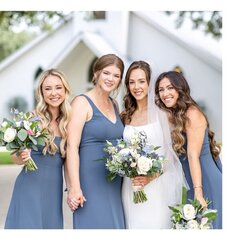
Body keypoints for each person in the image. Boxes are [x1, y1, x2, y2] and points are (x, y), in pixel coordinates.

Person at [119, 61, 187, 228]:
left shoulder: (163, 114)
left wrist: (150, 177)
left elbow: (171, 155)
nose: (136, 87)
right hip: (131, 186)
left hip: (157, 186)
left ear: (149, 83)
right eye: (131, 82)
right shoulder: (125, 115)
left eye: (141, 81)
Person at [4, 69, 70, 229]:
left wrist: (72, 188)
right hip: (29, 188)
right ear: (41, 92)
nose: (54, 93)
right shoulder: (32, 118)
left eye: (58, 87)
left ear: (65, 90)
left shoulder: (69, 122)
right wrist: (22, 155)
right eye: (48, 89)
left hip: (54, 191)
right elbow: (15, 158)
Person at [65, 54, 126, 229]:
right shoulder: (81, 102)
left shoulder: (114, 104)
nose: (111, 79)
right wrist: (74, 188)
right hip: (90, 183)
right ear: (96, 74)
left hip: (114, 183)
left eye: (116, 75)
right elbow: (71, 147)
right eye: (106, 73)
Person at [155, 71, 222, 229]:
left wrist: (198, 192)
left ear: (180, 89)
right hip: (189, 181)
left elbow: (192, 155)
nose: (165, 93)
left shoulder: (192, 113)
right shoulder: (172, 114)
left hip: (204, 181)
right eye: (161, 90)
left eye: (170, 88)